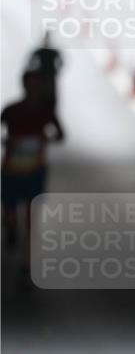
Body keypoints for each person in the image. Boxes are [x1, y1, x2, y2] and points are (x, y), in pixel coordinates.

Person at [1, 71, 65, 280]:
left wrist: (46, 139)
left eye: (37, 84)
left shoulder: (46, 112)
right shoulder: (11, 110)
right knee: (10, 211)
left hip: (35, 170)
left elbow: (61, 134)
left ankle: (25, 263)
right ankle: (10, 226)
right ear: (25, 86)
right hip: (11, 169)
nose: (34, 88)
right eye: (31, 84)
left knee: (31, 217)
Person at [26, 32, 63, 109]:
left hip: (47, 76)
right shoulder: (45, 51)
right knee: (42, 95)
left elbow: (31, 63)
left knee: (48, 95)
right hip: (43, 76)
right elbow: (31, 62)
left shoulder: (49, 52)